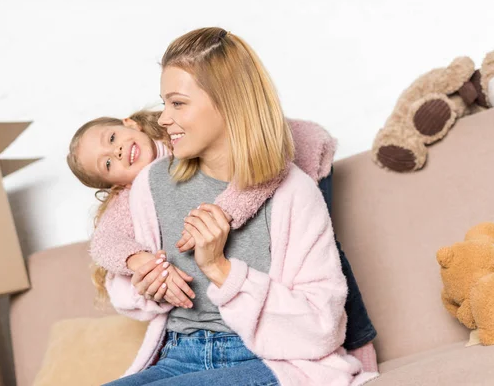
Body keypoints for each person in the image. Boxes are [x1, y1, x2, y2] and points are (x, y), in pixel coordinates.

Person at [99, 27, 379, 385]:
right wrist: (147, 284)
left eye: (178, 103)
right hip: (177, 356)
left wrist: (220, 269)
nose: (163, 118)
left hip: (268, 359)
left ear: (228, 101)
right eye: (164, 102)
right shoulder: (152, 184)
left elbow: (322, 327)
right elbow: (120, 282)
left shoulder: (294, 192)